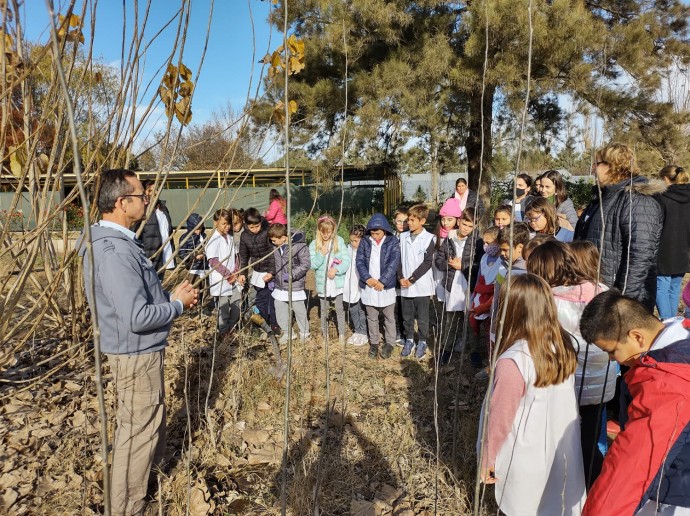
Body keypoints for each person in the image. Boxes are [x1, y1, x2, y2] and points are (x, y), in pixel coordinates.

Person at [79, 169, 197, 515]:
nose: (147, 199)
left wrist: (170, 297)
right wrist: (176, 305)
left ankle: (141, 489)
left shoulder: (118, 243)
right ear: (121, 202)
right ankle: (128, 507)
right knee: (137, 433)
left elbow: (137, 302)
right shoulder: (114, 252)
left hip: (139, 351)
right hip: (134, 353)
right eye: (141, 195)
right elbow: (136, 317)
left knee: (145, 425)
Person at [479, 273, 585, 515]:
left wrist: (488, 460)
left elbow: (500, 420)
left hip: (524, 456)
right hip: (561, 450)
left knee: (524, 505)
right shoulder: (562, 346)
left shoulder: (514, 360)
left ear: (511, 310)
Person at [579, 290, 690, 515]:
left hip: (674, 492)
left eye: (612, 351)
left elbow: (631, 468)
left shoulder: (666, 386)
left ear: (637, 336)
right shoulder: (678, 331)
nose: (612, 359)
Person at [527, 241, 616, 489]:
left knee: (563, 437)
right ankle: (595, 485)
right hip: (601, 383)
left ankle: (566, 483)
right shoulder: (604, 292)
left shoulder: (550, 301)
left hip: (566, 384)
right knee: (592, 435)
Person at [575, 143, 666, 311]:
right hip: (596, 292)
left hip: (619, 300)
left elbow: (639, 257)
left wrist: (622, 302)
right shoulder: (603, 197)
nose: (593, 169)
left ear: (612, 166)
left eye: (597, 164)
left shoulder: (637, 201)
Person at [435, 207, 482, 363]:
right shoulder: (449, 239)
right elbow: (438, 260)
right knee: (451, 321)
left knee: (470, 320)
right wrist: (450, 264)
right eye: (464, 224)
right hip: (452, 286)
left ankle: (475, 351)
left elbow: (479, 265)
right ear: (459, 221)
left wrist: (463, 265)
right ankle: (446, 349)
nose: (466, 229)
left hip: (469, 287)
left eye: (471, 226)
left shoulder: (478, 242)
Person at [356, 213, 401, 359]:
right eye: (372, 232)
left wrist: (383, 281)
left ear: (385, 230)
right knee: (372, 316)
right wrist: (367, 278)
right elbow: (360, 261)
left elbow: (394, 262)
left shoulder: (392, 241)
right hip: (370, 286)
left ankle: (390, 343)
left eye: (378, 232)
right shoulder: (364, 241)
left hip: (385, 286)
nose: (375, 235)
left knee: (389, 316)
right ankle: (374, 343)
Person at [398, 204, 436, 359]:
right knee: (406, 316)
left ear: (423, 221)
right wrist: (401, 277)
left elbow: (427, 263)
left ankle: (422, 341)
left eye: (413, 220)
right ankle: (409, 340)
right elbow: (398, 260)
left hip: (421, 285)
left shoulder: (429, 239)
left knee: (422, 317)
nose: (409, 223)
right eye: (409, 219)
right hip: (404, 284)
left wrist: (412, 279)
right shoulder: (402, 237)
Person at [656, 165, 690, 319]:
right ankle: (673, 322)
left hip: (664, 248)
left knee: (661, 287)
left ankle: (667, 323)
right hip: (684, 249)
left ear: (664, 178)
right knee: (674, 288)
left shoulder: (661, 197)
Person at [309, 216, 351, 344]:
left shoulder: (339, 241)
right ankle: (325, 334)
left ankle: (342, 334)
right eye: (323, 232)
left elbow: (346, 261)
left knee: (339, 308)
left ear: (333, 231)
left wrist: (336, 269)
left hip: (336, 283)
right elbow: (313, 265)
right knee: (324, 309)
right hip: (323, 284)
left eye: (329, 232)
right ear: (319, 230)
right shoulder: (314, 244)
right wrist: (321, 253)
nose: (326, 235)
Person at [268, 223, 311, 344]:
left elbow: (305, 264)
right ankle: (288, 332)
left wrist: (293, 275)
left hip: (294, 284)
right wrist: (272, 279)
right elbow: (274, 264)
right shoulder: (275, 247)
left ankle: (304, 333)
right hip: (280, 285)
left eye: (274, 240)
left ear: (283, 238)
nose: (272, 242)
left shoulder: (299, 246)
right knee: (280, 308)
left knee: (299, 309)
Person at [468, 226, 502, 369]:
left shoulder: (502, 260)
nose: (486, 246)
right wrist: (473, 295)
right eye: (485, 242)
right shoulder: (483, 257)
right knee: (473, 323)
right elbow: (479, 278)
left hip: (493, 299)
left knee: (490, 332)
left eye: (489, 243)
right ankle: (474, 351)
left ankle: (491, 361)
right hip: (480, 295)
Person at [238, 207, 277, 330]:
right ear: (246, 225)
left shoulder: (268, 231)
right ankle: (262, 324)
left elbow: (273, 253)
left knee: (273, 299)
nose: (255, 230)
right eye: (252, 227)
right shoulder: (244, 236)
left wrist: (271, 272)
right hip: (258, 271)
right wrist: (242, 273)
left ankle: (274, 324)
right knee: (260, 299)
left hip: (271, 270)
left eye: (257, 226)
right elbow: (244, 256)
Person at [206, 209, 241, 337]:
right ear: (216, 223)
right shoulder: (213, 240)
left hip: (233, 278)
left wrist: (236, 271)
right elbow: (213, 261)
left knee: (237, 302)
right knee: (224, 308)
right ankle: (223, 331)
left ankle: (231, 328)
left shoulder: (230, 237)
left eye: (229, 224)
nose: (227, 227)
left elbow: (236, 256)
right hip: (221, 280)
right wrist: (228, 274)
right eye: (224, 224)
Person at [140, 179, 175, 281]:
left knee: (159, 287)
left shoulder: (163, 209)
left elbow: (167, 232)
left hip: (163, 257)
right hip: (150, 259)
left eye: (156, 189)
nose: (155, 193)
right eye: (150, 190)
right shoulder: (142, 211)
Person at [178, 213, 211, 315]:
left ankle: (204, 306)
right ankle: (194, 309)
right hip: (194, 268)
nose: (198, 231)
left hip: (204, 267)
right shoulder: (185, 237)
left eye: (200, 228)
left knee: (205, 288)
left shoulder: (203, 236)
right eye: (196, 229)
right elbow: (182, 253)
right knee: (194, 289)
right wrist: (194, 257)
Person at [344, 224, 368, 346]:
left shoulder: (365, 251)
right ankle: (357, 330)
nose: (353, 243)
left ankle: (363, 332)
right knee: (352, 307)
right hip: (350, 283)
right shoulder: (347, 250)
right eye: (351, 240)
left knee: (362, 308)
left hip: (362, 283)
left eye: (356, 241)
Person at [392, 207, 409, 345]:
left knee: (406, 307)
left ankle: (406, 331)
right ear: (394, 222)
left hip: (406, 277)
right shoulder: (390, 237)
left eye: (405, 221)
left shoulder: (410, 237)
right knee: (396, 306)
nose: (402, 224)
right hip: (393, 278)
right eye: (399, 221)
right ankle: (397, 330)